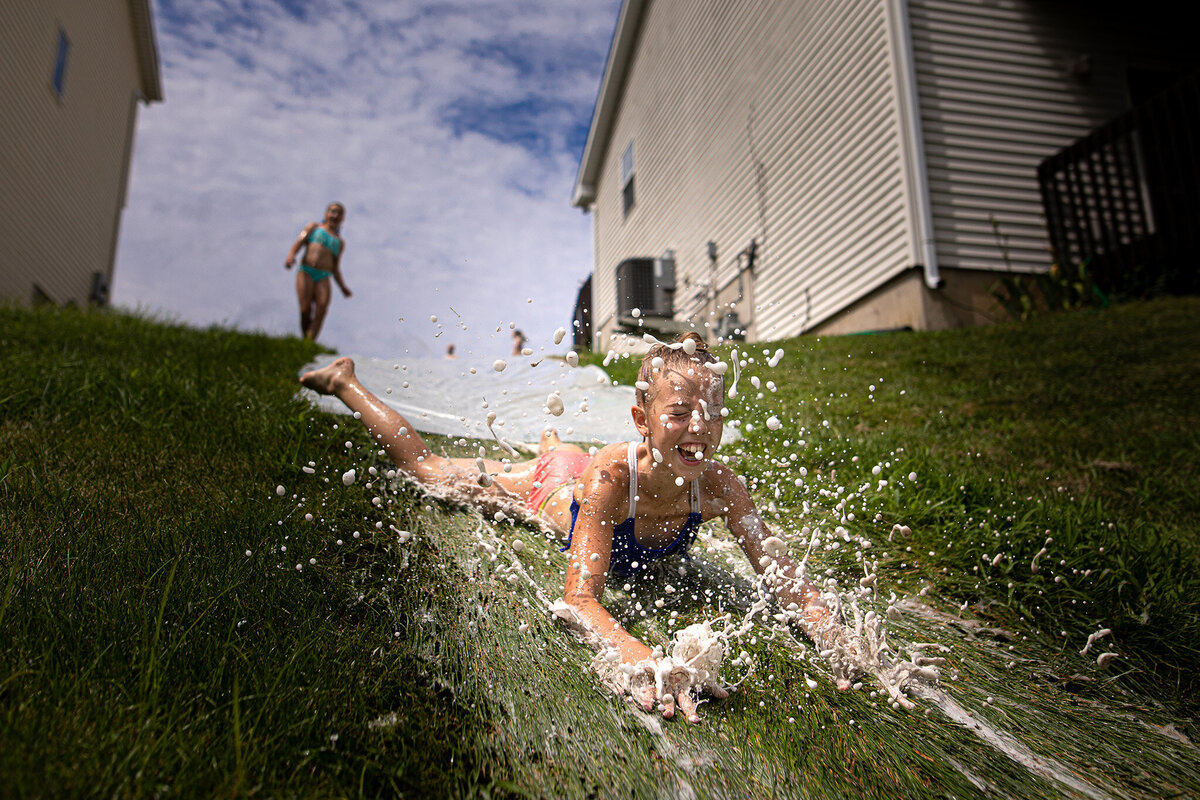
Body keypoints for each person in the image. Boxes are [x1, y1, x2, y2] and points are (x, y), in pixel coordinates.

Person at [300, 332, 852, 724]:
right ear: (642, 420)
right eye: (680, 413)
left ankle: (554, 441)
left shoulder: (721, 486)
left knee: (565, 451)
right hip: (554, 488)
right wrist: (631, 649)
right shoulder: (615, 473)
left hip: (583, 472)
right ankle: (345, 382)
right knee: (428, 473)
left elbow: (787, 583)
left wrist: (827, 626)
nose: (699, 429)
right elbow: (579, 597)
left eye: (711, 412)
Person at [285, 202, 352, 341]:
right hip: (306, 271)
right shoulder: (314, 228)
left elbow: (335, 267)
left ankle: (310, 342)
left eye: (339, 213)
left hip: (324, 275)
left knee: (322, 309)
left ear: (342, 218)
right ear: (326, 214)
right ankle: (305, 339)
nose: (335, 215)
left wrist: (343, 287)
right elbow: (299, 243)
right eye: (333, 211)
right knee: (305, 309)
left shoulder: (339, 242)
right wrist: (291, 256)